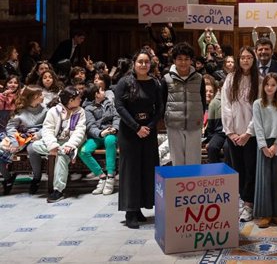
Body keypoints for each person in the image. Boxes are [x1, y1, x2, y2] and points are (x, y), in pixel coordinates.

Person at [114, 50, 165, 229]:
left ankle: (140, 208)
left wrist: (149, 127)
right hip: (129, 132)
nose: (143, 65)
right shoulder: (124, 82)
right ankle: (130, 211)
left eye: (146, 62)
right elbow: (119, 107)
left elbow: (160, 108)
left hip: (148, 131)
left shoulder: (155, 83)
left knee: (146, 169)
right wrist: (136, 127)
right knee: (131, 171)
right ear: (134, 63)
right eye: (140, 62)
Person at [221, 46, 260, 222]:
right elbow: (226, 105)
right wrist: (230, 132)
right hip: (234, 133)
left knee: (250, 168)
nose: (245, 60)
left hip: (250, 135)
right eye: (243, 57)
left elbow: (259, 109)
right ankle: (241, 200)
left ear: (253, 60)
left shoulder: (259, 79)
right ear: (239, 60)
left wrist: (248, 133)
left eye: (249, 58)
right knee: (237, 168)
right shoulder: (230, 79)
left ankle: (249, 203)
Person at [29, 86, 87, 203]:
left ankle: (58, 190)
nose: (80, 100)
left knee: (61, 157)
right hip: (56, 142)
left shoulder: (80, 111)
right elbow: (47, 130)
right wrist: (53, 146)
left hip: (71, 142)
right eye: (78, 98)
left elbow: (79, 131)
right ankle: (65, 152)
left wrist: (70, 146)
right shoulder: (53, 111)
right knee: (35, 145)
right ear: (71, 100)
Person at [252, 73, 277, 229]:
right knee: (264, 178)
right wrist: (263, 146)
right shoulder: (258, 104)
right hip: (263, 145)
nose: (269, 88)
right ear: (263, 86)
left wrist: (276, 145)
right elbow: (257, 126)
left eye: (273, 85)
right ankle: (265, 213)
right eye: (267, 84)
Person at [163, 42, 205, 166]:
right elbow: (163, 102)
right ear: (174, 60)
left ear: (191, 60)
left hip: (194, 125)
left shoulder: (199, 78)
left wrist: (198, 118)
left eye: (186, 59)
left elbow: (202, 100)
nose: (183, 62)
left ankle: (194, 185)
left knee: (194, 162)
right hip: (174, 125)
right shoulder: (166, 79)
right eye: (179, 59)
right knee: (177, 162)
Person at [1, 85, 46, 195]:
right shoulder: (21, 111)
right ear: (34, 97)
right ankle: (7, 178)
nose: (43, 96)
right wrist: (14, 142)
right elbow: (10, 127)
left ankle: (36, 178)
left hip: (37, 136)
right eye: (40, 95)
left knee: (32, 149)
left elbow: (49, 126)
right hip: (21, 136)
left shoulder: (45, 110)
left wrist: (39, 134)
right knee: (2, 149)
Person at [79, 83, 119, 196]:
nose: (104, 91)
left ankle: (111, 175)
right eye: (101, 90)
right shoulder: (87, 109)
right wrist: (100, 133)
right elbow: (90, 126)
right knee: (83, 151)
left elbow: (117, 117)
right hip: (97, 135)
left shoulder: (110, 103)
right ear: (96, 95)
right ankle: (101, 176)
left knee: (110, 141)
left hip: (111, 132)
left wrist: (115, 128)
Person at [203, 77, 228, 164]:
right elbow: (211, 125)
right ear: (219, 89)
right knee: (212, 147)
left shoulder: (235, 101)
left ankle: (229, 172)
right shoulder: (214, 103)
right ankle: (215, 171)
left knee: (227, 148)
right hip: (219, 133)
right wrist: (210, 140)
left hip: (231, 133)